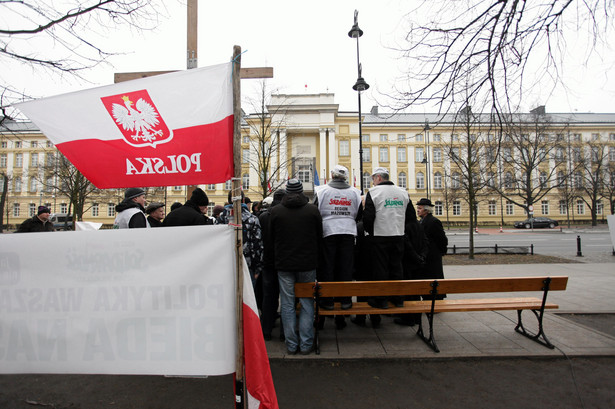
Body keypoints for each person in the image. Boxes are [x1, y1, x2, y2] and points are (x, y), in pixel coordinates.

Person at [268, 179, 323, 355]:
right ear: (301, 192)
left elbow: (270, 239)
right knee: (307, 303)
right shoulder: (312, 211)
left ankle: (291, 345)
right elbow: (319, 237)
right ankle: (306, 344)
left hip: (284, 264)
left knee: (287, 303)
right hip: (307, 264)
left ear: (286, 192)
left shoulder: (275, 212)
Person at [313, 164, 362, 330]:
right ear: (346, 177)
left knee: (328, 268)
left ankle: (327, 301)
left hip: (328, 232)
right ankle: (345, 301)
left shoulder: (321, 191)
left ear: (332, 176)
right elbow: (358, 214)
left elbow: (315, 211)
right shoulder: (355, 192)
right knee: (345, 269)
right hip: (348, 232)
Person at [362, 167, 413, 309]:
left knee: (380, 269)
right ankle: (398, 298)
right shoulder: (403, 192)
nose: (372, 182)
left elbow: (368, 217)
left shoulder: (373, 192)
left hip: (380, 235)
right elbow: (410, 216)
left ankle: (381, 299)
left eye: (373, 179)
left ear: (378, 177)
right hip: (398, 234)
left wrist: (369, 233)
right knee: (397, 267)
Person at [217, 190, 264, 289]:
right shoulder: (252, 219)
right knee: (247, 299)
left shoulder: (221, 219)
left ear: (229, 200)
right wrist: (257, 268)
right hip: (247, 266)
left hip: (224, 265)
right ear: (243, 200)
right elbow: (257, 245)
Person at [394, 201, 430, 326]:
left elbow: (407, 245)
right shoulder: (418, 224)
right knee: (416, 292)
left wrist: (416, 257)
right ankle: (416, 317)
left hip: (408, 263)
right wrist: (422, 257)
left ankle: (408, 318)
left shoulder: (405, 226)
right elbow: (426, 242)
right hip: (418, 263)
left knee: (408, 292)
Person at [258, 189, 286, 341]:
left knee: (268, 297)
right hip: (283, 262)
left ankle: (266, 330)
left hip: (268, 262)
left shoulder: (263, 216)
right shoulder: (285, 214)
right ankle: (284, 332)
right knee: (286, 298)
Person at [416, 198, 448, 284]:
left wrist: (441, 251)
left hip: (432, 254)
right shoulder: (421, 221)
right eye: (417, 208)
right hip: (426, 255)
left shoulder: (434, 221)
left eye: (420, 208)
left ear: (426, 210)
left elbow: (442, 239)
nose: (417, 210)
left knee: (433, 277)